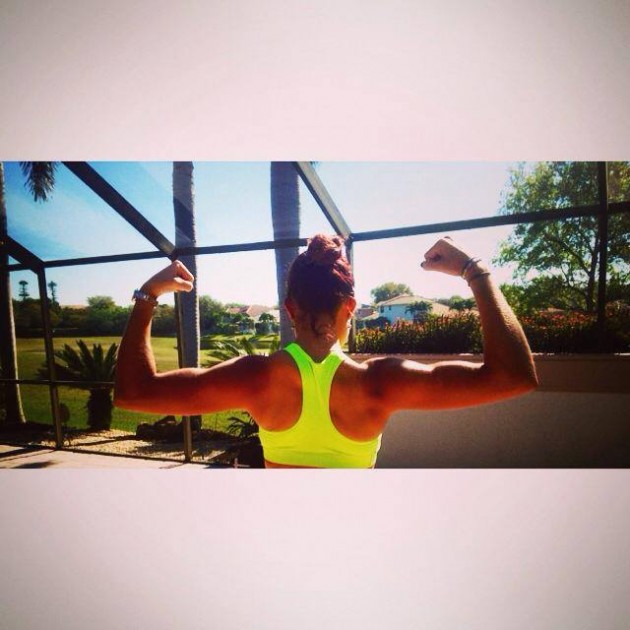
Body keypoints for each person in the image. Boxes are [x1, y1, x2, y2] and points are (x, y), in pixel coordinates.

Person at [114, 234, 538, 468]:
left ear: (290, 309)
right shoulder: (381, 382)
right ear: (349, 307)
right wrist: (474, 271)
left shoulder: (254, 377)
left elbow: (133, 392)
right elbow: (513, 377)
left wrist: (148, 295)